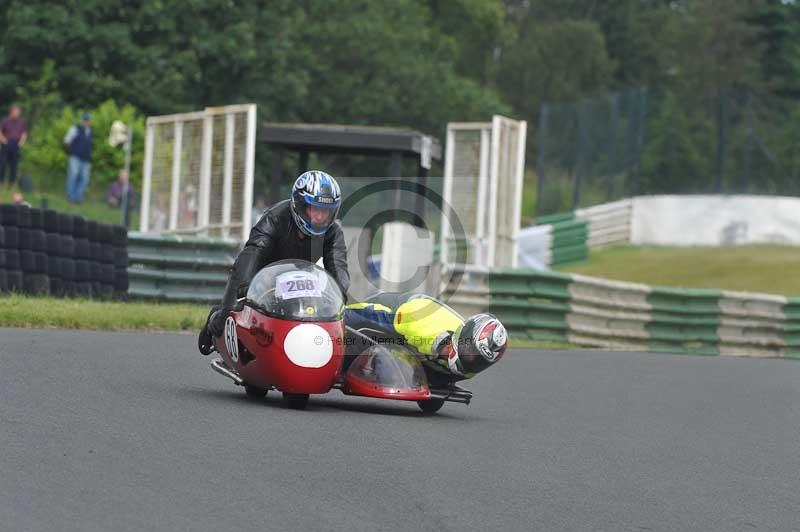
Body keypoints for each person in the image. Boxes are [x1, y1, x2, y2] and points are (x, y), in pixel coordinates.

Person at [199, 170, 349, 353]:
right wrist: (236, 298)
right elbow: (251, 254)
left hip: (301, 282)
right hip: (261, 281)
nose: (319, 217)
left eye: (325, 211)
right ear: (300, 205)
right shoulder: (275, 218)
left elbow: (339, 268)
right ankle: (215, 318)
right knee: (227, 317)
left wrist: (339, 299)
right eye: (314, 209)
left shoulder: (333, 232)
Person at [345, 293, 508, 379]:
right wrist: (339, 316)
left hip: (428, 322)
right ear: (463, 338)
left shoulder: (470, 368)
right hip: (400, 308)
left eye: (480, 360)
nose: (473, 361)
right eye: (471, 352)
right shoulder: (421, 328)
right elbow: (368, 314)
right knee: (362, 324)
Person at [63, 111, 93, 203]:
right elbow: (67, 141)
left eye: (88, 120)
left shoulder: (90, 131)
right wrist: (71, 151)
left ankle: (78, 197)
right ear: (82, 120)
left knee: (85, 179)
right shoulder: (75, 128)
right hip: (75, 157)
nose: (86, 121)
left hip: (86, 158)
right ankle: (70, 196)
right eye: (85, 119)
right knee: (73, 176)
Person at [0, 105, 27, 187]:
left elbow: (24, 133)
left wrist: (21, 143)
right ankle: (1, 181)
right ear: (11, 112)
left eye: (18, 112)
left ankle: (11, 183)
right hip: (6, 142)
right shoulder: (5, 120)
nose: (17, 113)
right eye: (15, 112)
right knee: (3, 163)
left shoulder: (21, 122)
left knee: (14, 165)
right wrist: (3, 140)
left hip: (16, 144)